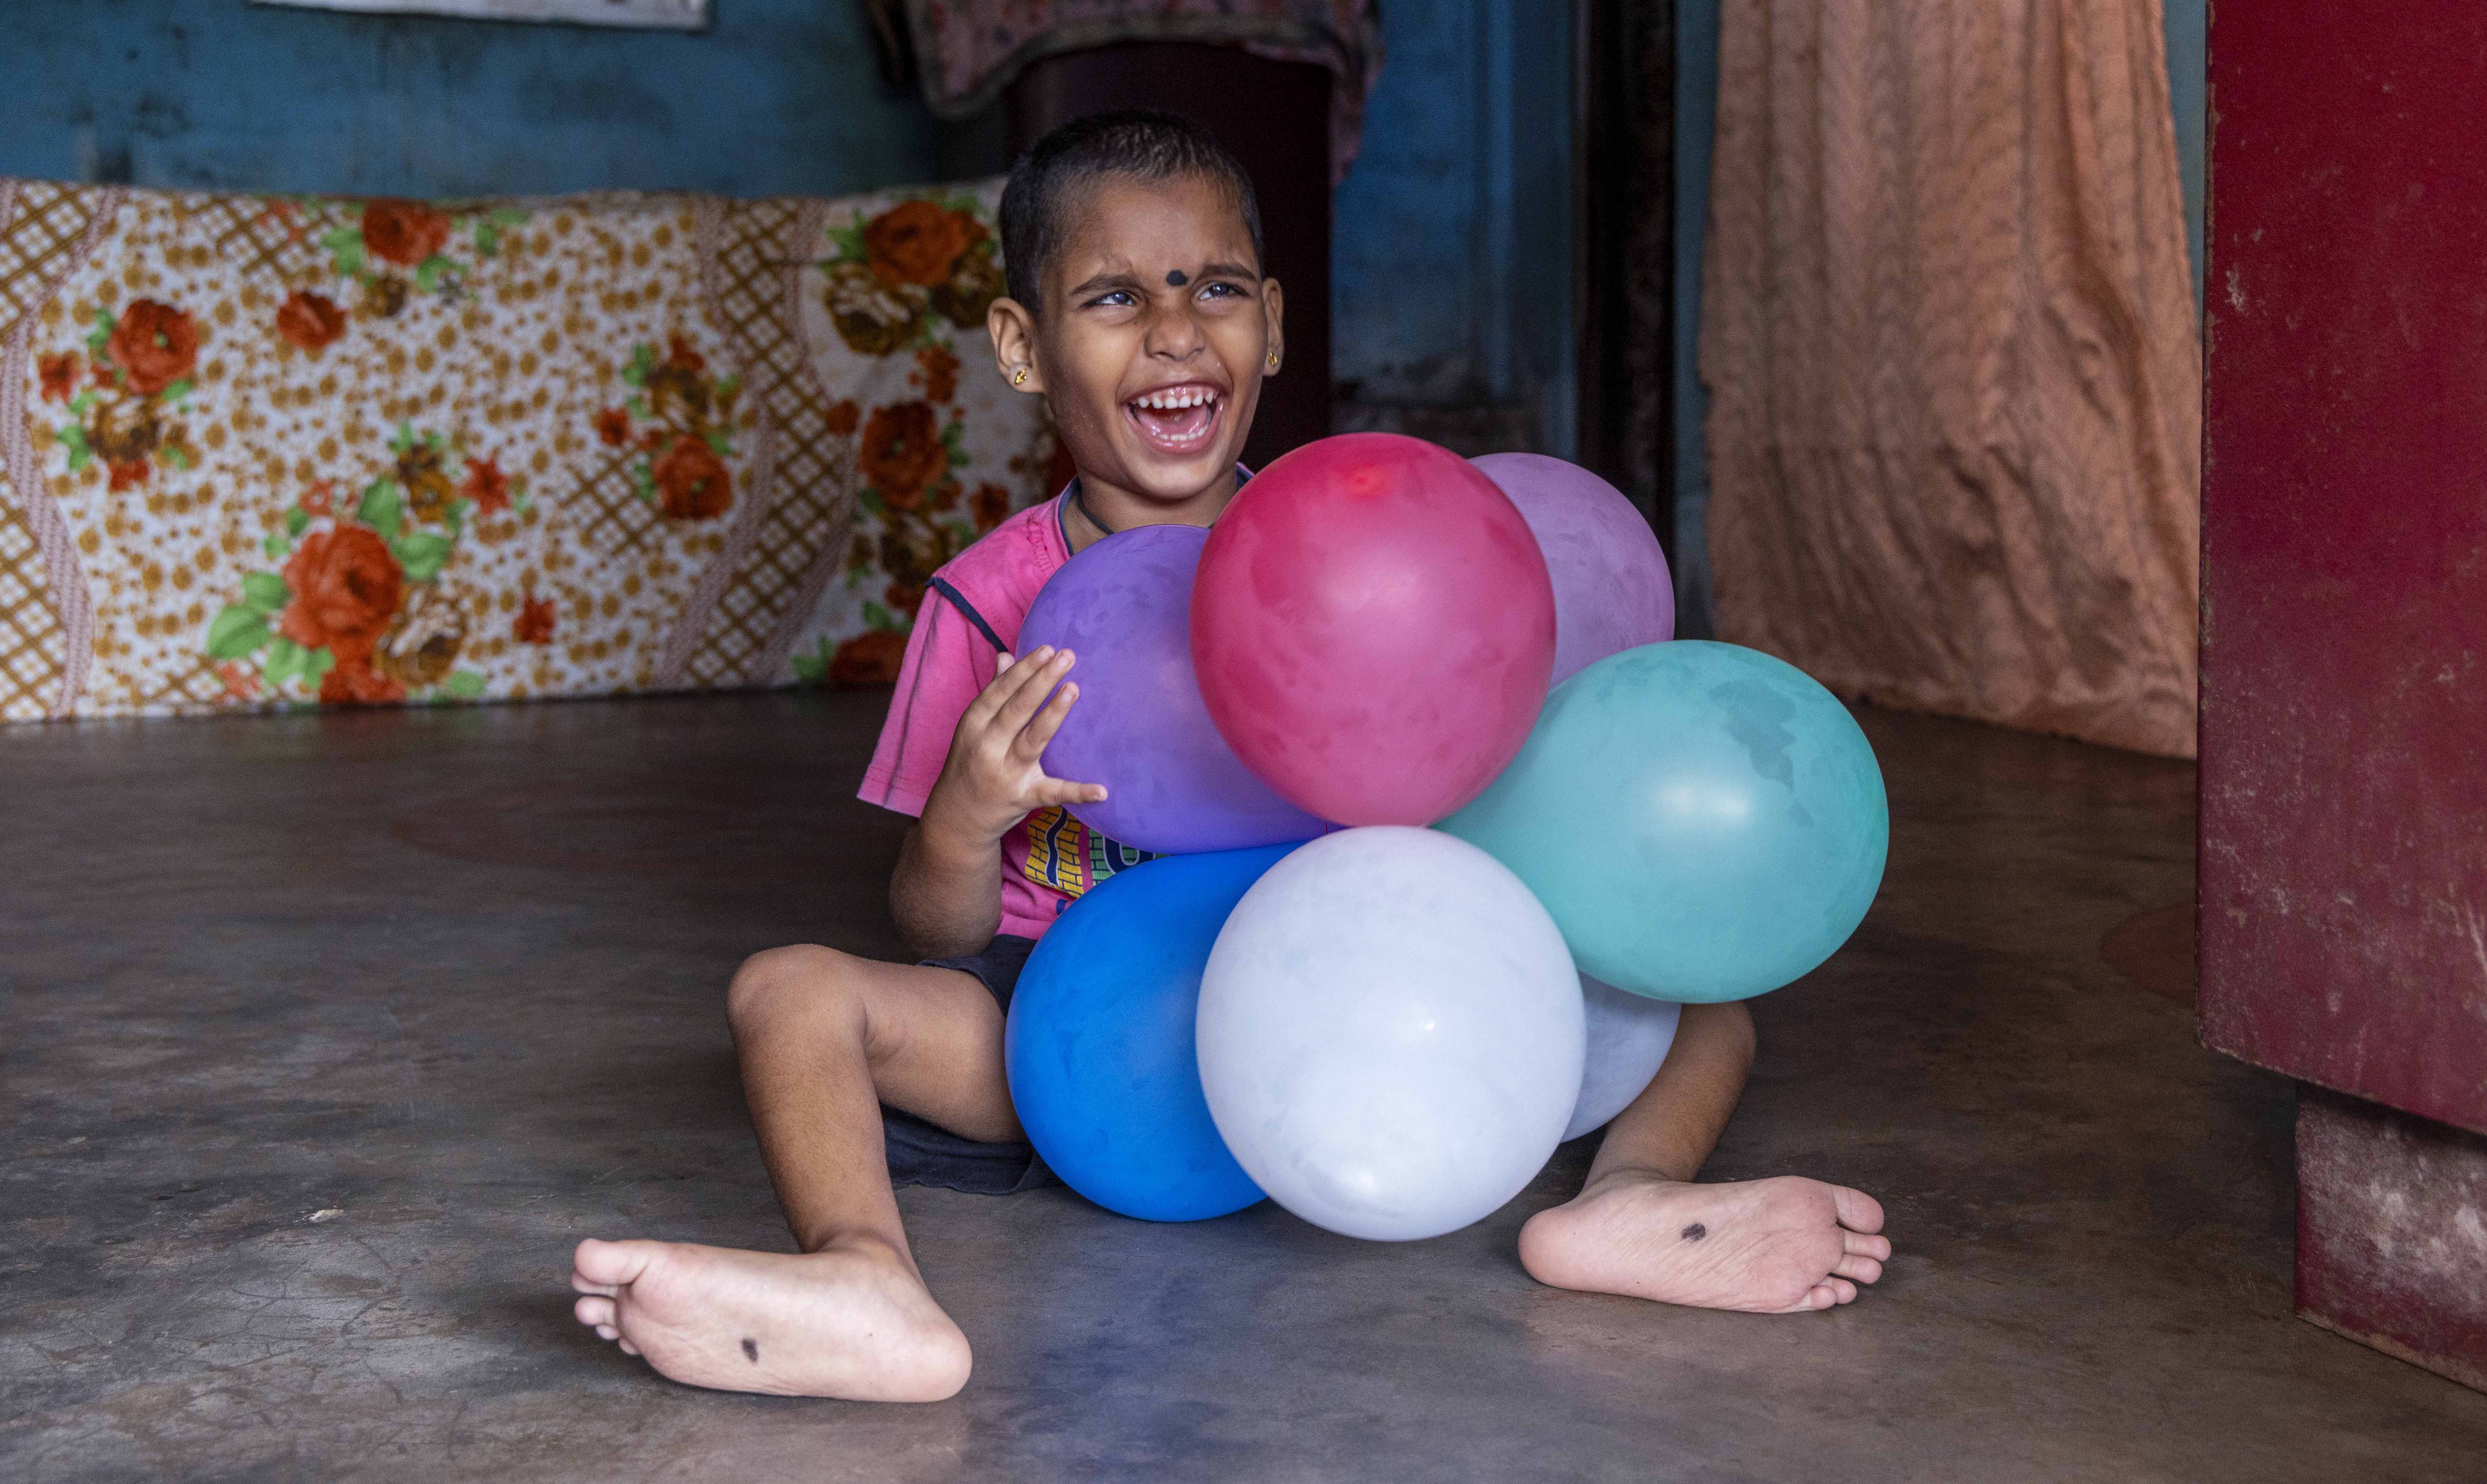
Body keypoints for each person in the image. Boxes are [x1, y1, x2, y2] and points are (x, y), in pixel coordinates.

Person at [568, 111, 1892, 1400]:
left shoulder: (1360, 557)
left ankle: (1630, 1202)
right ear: (1024, 349)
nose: (1172, 330)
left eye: (1211, 286)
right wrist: (966, 820)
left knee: (1689, 985)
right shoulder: (986, 606)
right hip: (1063, 1028)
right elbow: (928, 926)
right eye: (1112, 297)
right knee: (789, 989)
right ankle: (865, 1281)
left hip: (1347, 994)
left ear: (1271, 315)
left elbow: (1457, 783)